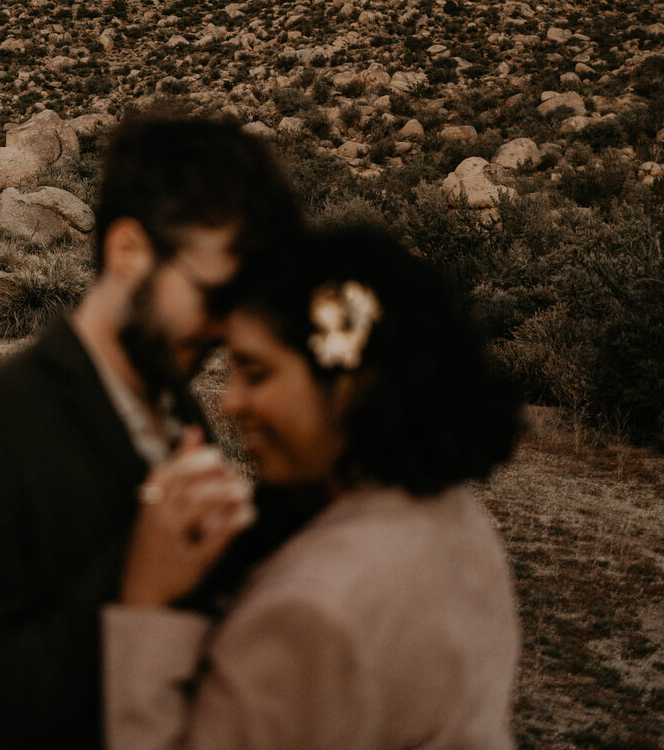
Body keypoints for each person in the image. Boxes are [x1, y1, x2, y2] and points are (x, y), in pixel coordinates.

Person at [0, 115, 303, 750]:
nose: (228, 330)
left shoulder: (183, 413)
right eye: (217, 297)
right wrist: (130, 591)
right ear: (128, 253)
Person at [105, 226, 523, 750]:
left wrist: (146, 604)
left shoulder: (309, 612)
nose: (229, 403)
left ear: (349, 383)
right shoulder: (456, 517)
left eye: (256, 373)